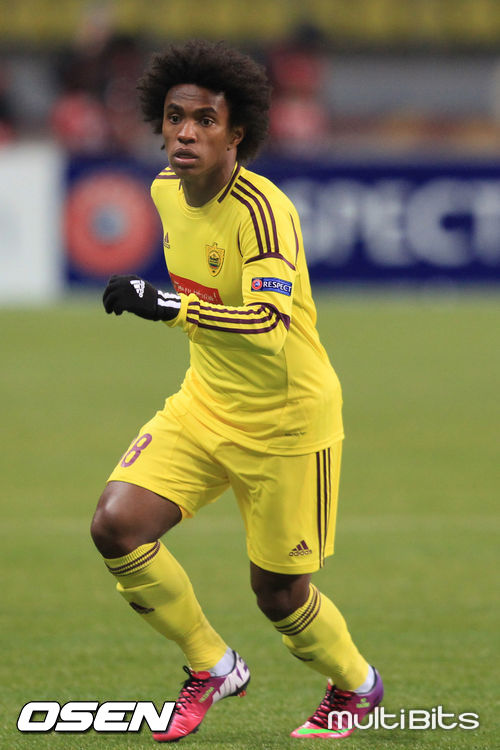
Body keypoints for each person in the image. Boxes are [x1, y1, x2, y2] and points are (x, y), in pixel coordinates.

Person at [91, 39, 383, 742]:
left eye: (205, 120)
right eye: (175, 117)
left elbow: (269, 324)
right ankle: (212, 665)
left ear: (237, 134)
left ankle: (357, 685)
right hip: (204, 403)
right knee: (116, 525)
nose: (186, 133)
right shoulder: (165, 191)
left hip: (288, 423)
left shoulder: (263, 211)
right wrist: (175, 307)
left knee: (278, 594)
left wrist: (170, 306)